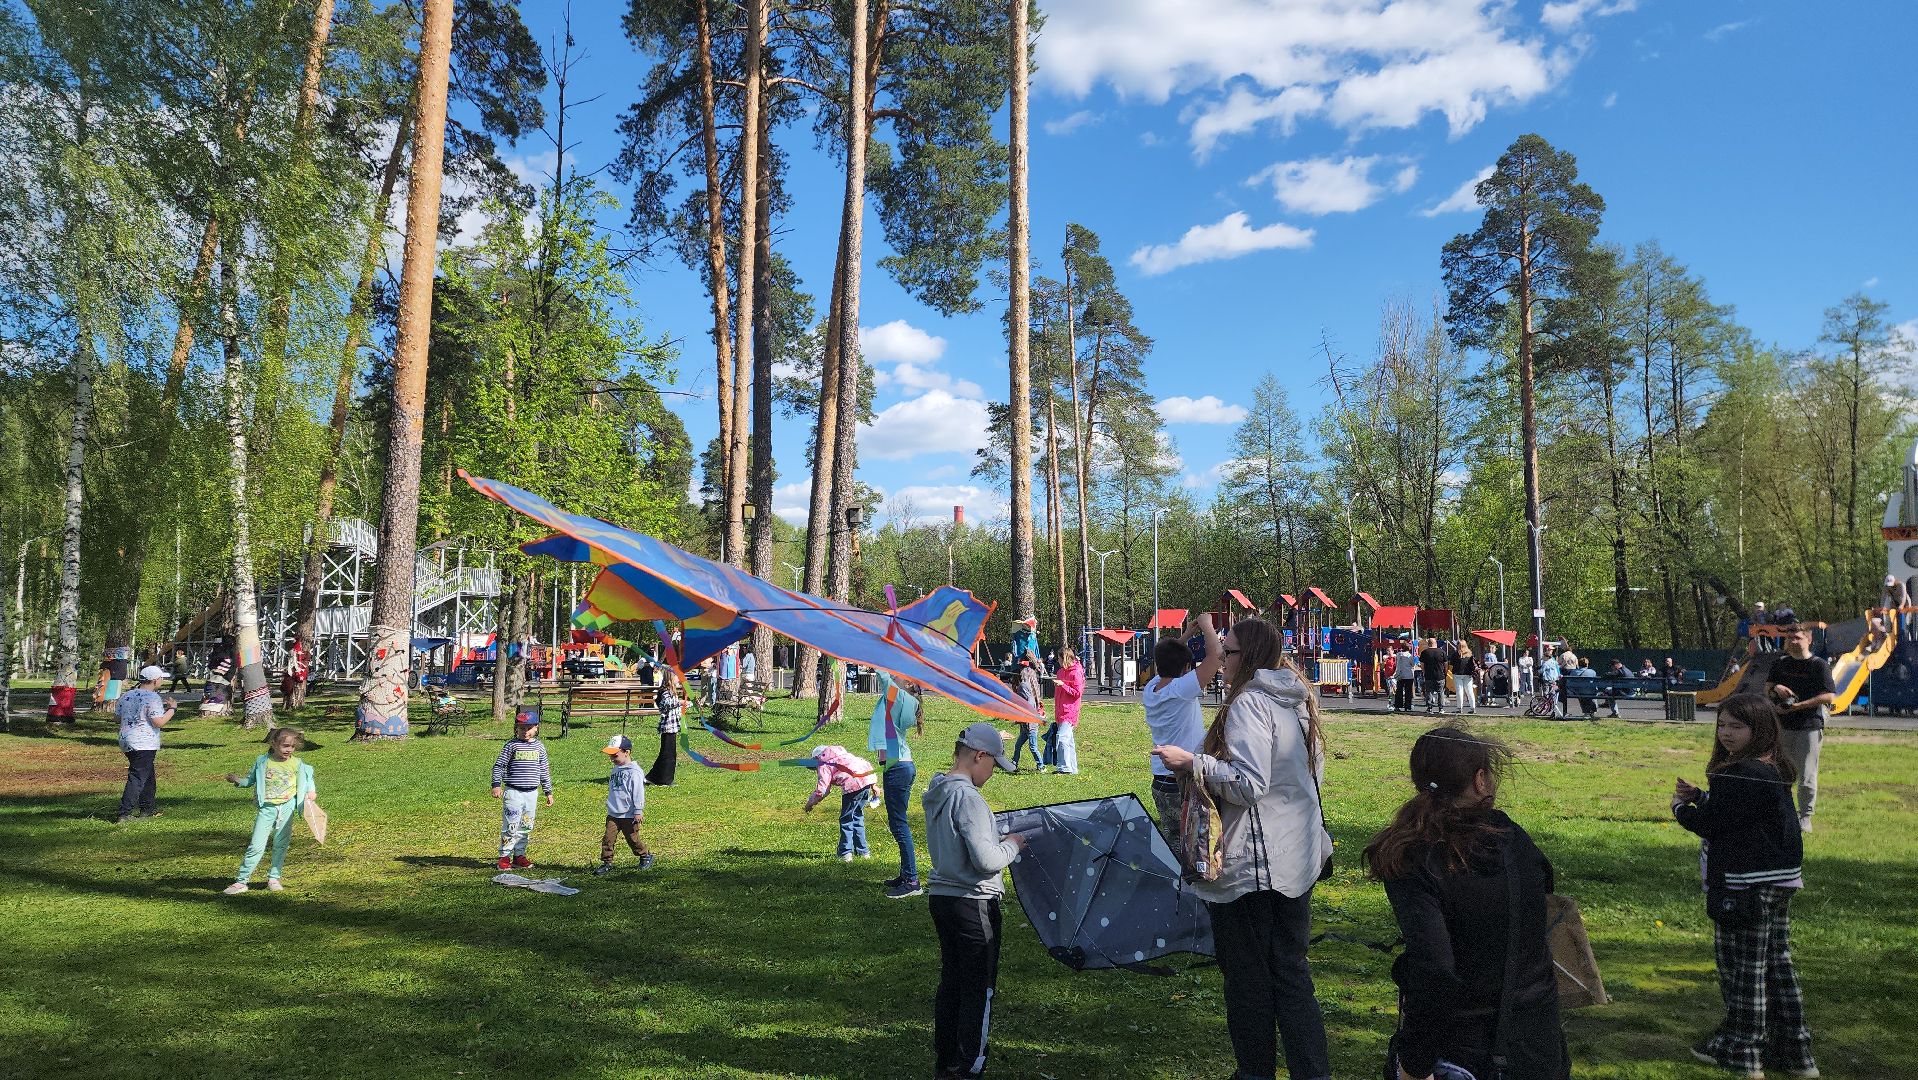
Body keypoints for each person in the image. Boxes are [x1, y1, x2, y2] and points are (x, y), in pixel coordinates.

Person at [1153, 616, 1331, 1080]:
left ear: (1247, 656)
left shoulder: (1251, 702)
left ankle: (1256, 1071)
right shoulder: (1295, 698)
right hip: (1296, 856)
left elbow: (1250, 784)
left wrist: (1193, 762)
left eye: (1228, 651)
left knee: (1251, 980)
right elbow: (1308, 776)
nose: (1221, 659)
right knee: (1290, 974)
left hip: (1259, 867)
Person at [1365, 728, 1568, 1080]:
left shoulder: (1415, 857)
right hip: (1537, 1042)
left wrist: (1414, 1064)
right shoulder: (1514, 839)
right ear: (1479, 780)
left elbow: (1436, 970)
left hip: (1469, 1050)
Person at [1672, 694, 1816, 1079]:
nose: (1726, 734)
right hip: (1781, 879)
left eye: (1736, 726)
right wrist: (1702, 797)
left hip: (1743, 885)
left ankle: (1744, 1054)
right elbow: (1742, 812)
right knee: (1777, 964)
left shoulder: (1737, 772)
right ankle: (1796, 1054)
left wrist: (1680, 809)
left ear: (1761, 730)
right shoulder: (1771, 769)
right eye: (1721, 725)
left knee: (1743, 970)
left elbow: (1712, 824)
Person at [924, 723, 1026, 1080]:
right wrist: (1012, 844)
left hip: (943, 898)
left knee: (952, 981)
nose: (992, 773)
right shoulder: (968, 798)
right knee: (978, 988)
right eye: (993, 765)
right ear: (978, 756)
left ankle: (947, 1061)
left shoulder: (937, 789)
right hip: (973, 902)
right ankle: (969, 1066)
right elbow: (986, 860)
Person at [1140, 613, 1224, 852]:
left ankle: (1174, 883)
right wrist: (1207, 626)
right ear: (1187, 668)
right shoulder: (1181, 689)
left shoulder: (1151, 688)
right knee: (1193, 845)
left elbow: (1168, 658)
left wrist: (1186, 634)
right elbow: (1217, 657)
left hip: (1160, 779)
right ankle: (1186, 885)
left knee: (1174, 842)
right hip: (1182, 779)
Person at [221, 727, 320, 894]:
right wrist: (237, 780)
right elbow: (250, 781)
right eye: (285, 746)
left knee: (281, 844)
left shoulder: (297, 764)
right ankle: (241, 881)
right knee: (256, 845)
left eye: (292, 747)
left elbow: (308, 776)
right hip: (267, 809)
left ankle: (274, 878)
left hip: (287, 809)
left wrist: (311, 791)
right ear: (274, 744)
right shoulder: (262, 762)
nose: (289, 750)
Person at [1765, 611, 1834, 832]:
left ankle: (1806, 817)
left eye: (1798, 637)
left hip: (1809, 726)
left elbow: (1828, 697)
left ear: (1808, 639)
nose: (1793, 641)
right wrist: (1776, 689)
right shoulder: (1780, 664)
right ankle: (1781, 812)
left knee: (1806, 775)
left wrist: (1799, 706)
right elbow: (1766, 688)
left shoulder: (1819, 665)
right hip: (1781, 726)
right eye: (1790, 638)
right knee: (1780, 772)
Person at [869, 671, 924, 898]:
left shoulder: (900, 698)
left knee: (899, 825)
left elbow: (883, 676)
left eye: (899, 674)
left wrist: (878, 649)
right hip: (898, 765)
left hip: (898, 767)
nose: (894, 675)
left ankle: (912, 881)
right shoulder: (898, 699)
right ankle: (906, 874)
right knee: (897, 823)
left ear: (908, 682)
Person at [491, 710, 554, 871]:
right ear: (516, 729)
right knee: (511, 825)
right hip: (514, 793)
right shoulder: (511, 746)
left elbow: (544, 769)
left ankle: (519, 855)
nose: (525, 731)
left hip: (531, 793)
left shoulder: (539, 747)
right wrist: (496, 785)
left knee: (526, 826)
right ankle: (504, 857)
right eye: (521, 728)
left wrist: (548, 791)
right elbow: (499, 766)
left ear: (536, 728)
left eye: (529, 728)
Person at [114, 665, 177, 823]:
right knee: (137, 777)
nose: (162, 681)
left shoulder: (127, 695)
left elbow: (116, 718)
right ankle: (124, 813)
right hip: (144, 743)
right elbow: (158, 722)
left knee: (147, 775)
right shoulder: (152, 697)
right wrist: (172, 709)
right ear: (155, 680)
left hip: (126, 740)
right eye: (161, 678)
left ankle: (147, 808)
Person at [802, 744, 879, 862]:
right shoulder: (846, 756)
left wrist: (810, 803)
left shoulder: (824, 764)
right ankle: (863, 852)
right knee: (857, 817)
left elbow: (822, 790)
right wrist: (874, 785)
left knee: (846, 819)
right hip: (866, 784)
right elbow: (865, 764)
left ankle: (845, 853)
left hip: (852, 787)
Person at [595, 734, 653, 875]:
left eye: (615, 755)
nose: (612, 759)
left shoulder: (635, 772)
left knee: (632, 839)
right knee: (608, 839)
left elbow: (638, 792)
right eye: (610, 756)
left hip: (629, 814)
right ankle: (607, 862)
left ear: (626, 753)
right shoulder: (616, 770)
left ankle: (645, 855)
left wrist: (638, 810)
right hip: (614, 813)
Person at [1048, 648, 1085, 774]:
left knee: (1062, 738)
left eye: (1059, 658)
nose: (1057, 661)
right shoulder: (1060, 672)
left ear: (1064, 658)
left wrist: (1062, 685)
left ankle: (1064, 768)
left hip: (1070, 711)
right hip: (1060, 710)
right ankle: (1072, 768)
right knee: (1069, 741)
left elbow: (1077, 693)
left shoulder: (1076, 672)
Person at [646, 667, 683, 787]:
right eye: (677, 676)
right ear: (671, 677)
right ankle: (665, 780)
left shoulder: (671, 691)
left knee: (667, 753)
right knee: (668, 755)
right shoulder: (666, 691)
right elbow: (666, 704)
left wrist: (686, 703)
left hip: (672, 727)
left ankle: (652, 777)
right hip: (668, 727)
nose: (679, 678)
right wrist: (681, 702)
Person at [1010, 658, 1049, 770]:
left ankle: (1041, 766)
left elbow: (1028, 704)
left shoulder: (1023, 686)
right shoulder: (1026, 685)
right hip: (1025, 726)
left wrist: (1025, 718)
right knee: (1018, 745)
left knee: (1033, 747)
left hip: (1030, 725)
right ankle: (1014, 763)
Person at [202, 635, 235, 716]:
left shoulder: (224, 652)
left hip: (221, 677)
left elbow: (213, 663)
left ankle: (214, 708)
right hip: (221, 678)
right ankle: (213, 707)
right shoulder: (228, 652)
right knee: (215, 692)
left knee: (217, 692)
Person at [1420, 637, 1449, 713]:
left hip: (1429, 675)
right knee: (1440, 692)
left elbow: (1422, 665)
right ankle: (1441, 708)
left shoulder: (1424, 652)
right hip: (1440, 675)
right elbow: (1446, 664)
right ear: (1435, 643)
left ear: (1428, 643)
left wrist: (1424, 672)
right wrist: (1445, 673)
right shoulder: (1442, 652)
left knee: (1429, 691)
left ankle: (1429, 708)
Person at [1450, 639, 1479, 716]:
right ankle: (1473, 708)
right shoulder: (1470, 654)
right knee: (1470, 691)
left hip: (1458, 674)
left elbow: (1451, 663)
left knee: (1459, 691)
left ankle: (1459, 708)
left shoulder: (1456, 654)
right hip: (1468, 675)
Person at [280, 637, 309, 706]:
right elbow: (294, 662)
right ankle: (289, 703)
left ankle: (290, 703)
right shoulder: (295, 652)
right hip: (294, 671)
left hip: (295, 671)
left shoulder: (298, 652)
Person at [1392, 642, 1418, 713]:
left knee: (1399, 691)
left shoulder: (1398, 655)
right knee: (1408, 691)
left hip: (1400, 674)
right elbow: (1412, 664)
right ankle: (1407, 706)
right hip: (1408, 675)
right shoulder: (1409, 656)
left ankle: (1397, 705)